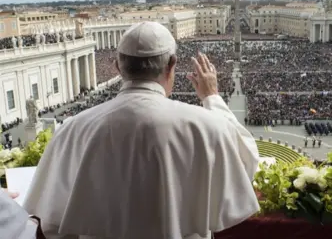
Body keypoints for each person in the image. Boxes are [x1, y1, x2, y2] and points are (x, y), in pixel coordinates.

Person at [23, 21, 260, 239]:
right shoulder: (206, 126)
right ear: (171, 65)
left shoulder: (72, 130)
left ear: (117, 66)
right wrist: (212, 98)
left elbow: (52, 222)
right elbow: (246, 163)